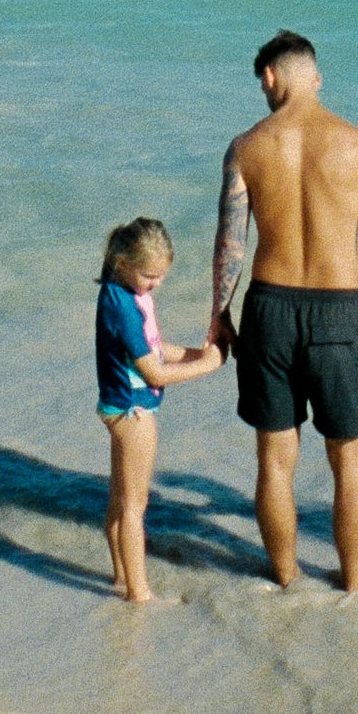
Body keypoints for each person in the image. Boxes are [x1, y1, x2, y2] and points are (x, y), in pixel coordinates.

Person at [209, 33, 358, 594]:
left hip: (269, 309)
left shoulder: (246, 147)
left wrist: (219, 314)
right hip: (341, 314)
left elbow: (230, 245)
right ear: (315, 77)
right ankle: (356, 590)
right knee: (350, 465)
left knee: (275, 461)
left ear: (270, 77)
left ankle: (286, 583)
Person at [95, 215, 225, 604]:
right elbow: (154, 371)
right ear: (124, 263)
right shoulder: (123, 307)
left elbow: (156, 348)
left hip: (118, 406)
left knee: (120, 500)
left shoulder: (125, 295)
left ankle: (121, 577)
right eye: (150, 276)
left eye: (162, 276)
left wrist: (197, 352)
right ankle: (140, 593)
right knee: (135, 507)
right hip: (132, 411)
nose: (157, 285)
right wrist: (208, 366)